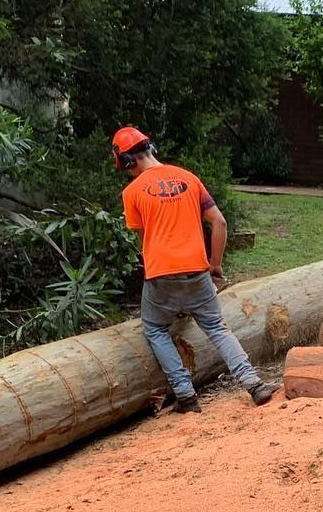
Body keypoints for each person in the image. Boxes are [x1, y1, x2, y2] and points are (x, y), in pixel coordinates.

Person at [114, 126, 276, 413]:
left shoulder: (132, 192)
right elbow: (220, 223)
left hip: (161, 276)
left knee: (155, 329)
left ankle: (186, 396)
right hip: (198, 272)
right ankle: (254, 384)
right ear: (151, 148)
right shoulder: (189, 178)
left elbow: (145, 240)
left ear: (127, 161)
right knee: (216, 327)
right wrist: (215, 265)